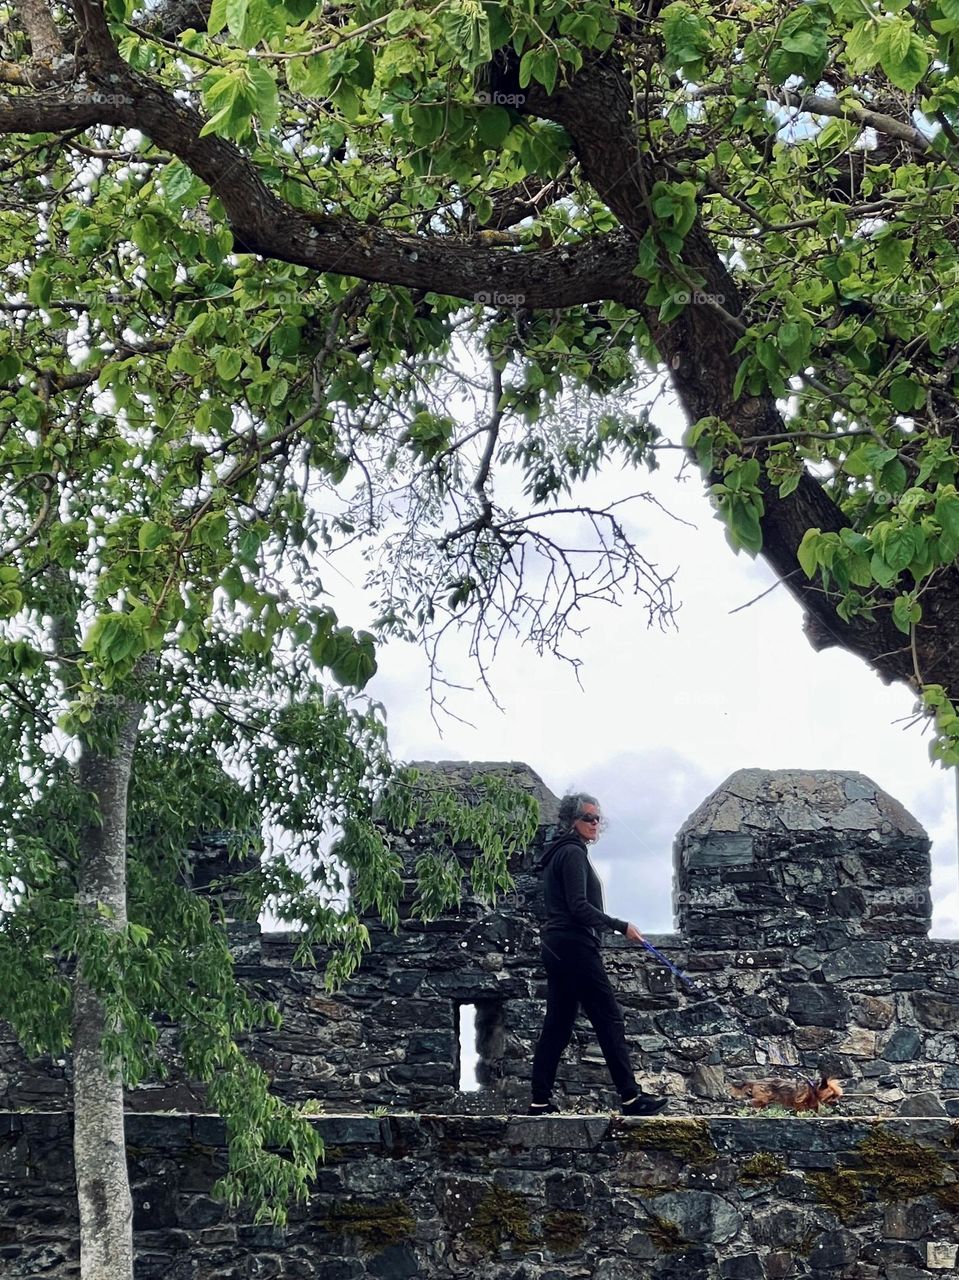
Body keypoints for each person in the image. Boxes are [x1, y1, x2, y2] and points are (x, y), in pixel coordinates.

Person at [528, 792, 667, 1116]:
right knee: (608, 1017)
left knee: (558, 1025)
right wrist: (621, 926)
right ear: (571, 821)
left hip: (556, 946)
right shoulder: (572, 852)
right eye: (588, 817)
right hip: (574, 946)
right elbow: (578, 907)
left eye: (597, 818)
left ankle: (539, 1100)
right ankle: (631, 1098)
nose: (594, 823)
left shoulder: (558, 854)